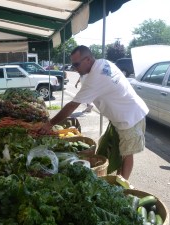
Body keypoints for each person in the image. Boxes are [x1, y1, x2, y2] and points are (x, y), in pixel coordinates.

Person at [39, 45, 149, 180]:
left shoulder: (96, 77)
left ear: (88, 60)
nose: (74, 68)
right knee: (114, 151)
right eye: (72, 64)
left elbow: (72, 106)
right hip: (119, 117)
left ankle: (123, 187)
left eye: (76, 64)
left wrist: (50, 124)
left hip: (130, 117)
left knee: (127, 154)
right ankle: (117, 178)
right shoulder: (103, 63)